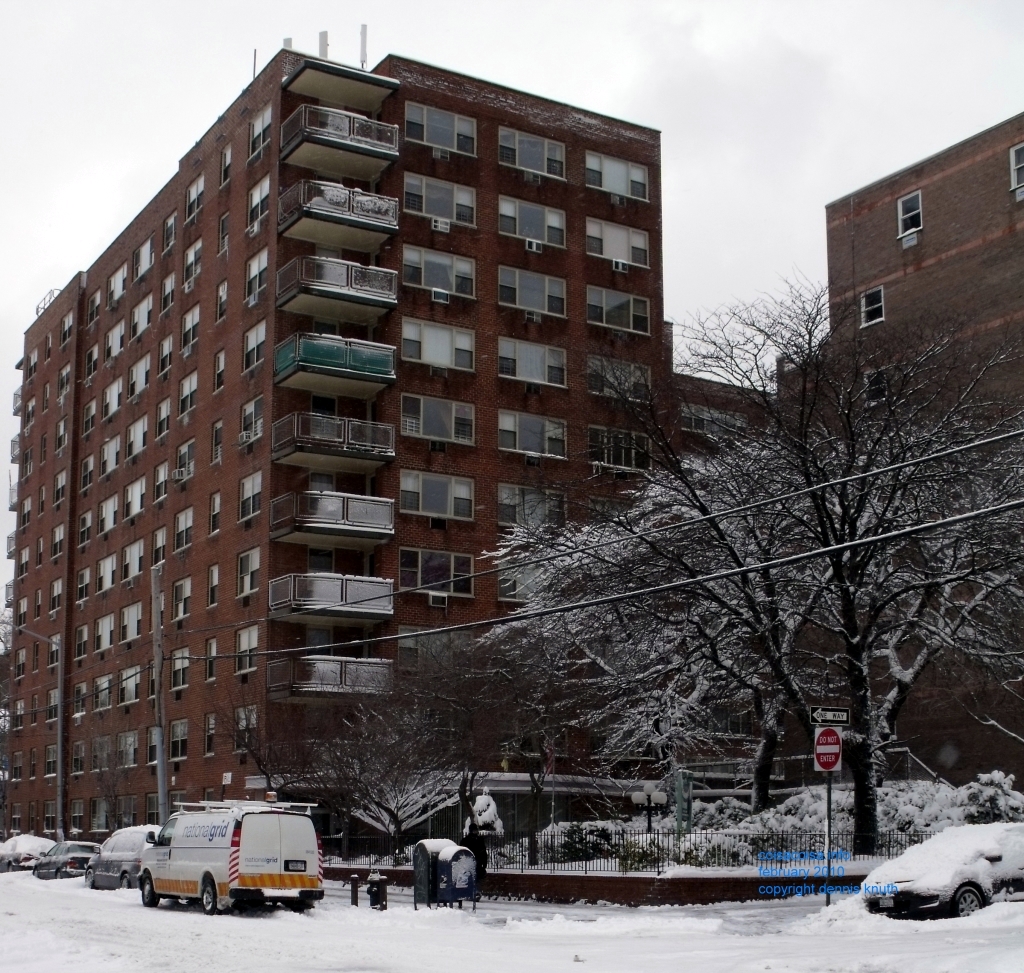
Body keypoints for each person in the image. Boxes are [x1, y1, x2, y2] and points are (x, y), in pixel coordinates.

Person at [462, 823, 488, 890]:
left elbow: (483, 852)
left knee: (477, 877)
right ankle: (473, 890)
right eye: (474, 830)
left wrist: (484, 863)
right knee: (472, 878)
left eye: (476, 830)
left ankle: (475, 890)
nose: (475, 832)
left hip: (476, 862)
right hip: (470, 862)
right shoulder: (467, 840)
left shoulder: (479, 840)